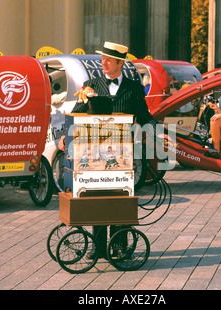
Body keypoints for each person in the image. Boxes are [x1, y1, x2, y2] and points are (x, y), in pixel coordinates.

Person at [70, 41, 157, 259]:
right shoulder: (90, 85)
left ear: (120, 63)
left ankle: (120, 245)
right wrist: (65, 136)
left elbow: (144, 115)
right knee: (98, 197)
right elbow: (77, 112)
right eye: (103, 59)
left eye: (108, 59)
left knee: (121, 198)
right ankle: (98, 247)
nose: (104, 63)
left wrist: (158, 132)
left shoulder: (134, 87)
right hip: (96, 155)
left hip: (124, 154)